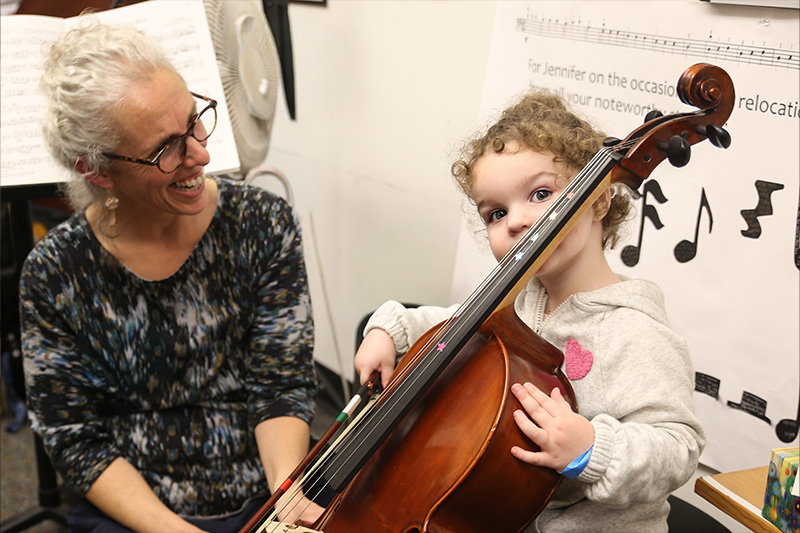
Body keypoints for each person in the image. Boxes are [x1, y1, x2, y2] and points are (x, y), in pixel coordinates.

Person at [19, 19, 323, 532]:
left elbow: (281, 384)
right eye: (167, 149)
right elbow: (74, 438)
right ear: (97, 170)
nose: (202, 155)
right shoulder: (55, 272)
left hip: (265, 481)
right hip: (134, 506)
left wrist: (284, 500)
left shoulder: (263, 224)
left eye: (195, 120)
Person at [355, 90, 705, 532]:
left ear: (599, 201)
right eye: (496, 213)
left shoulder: (636, 331)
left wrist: (593, 447)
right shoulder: (519, 299)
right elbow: (450, 330)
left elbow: (678, 447)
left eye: (540, 194)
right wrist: (390, 328)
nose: (516, 221)